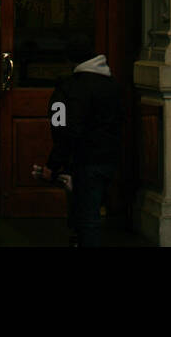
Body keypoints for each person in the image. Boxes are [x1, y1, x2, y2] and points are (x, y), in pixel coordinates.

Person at [31, 38, 124, 247]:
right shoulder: (112, 85)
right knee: (91, 210)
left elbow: (62, 129)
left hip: (83, 160)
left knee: (85, 217)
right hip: (109, 159)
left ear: (70, 61)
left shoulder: (67, 88)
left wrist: (53, 164)